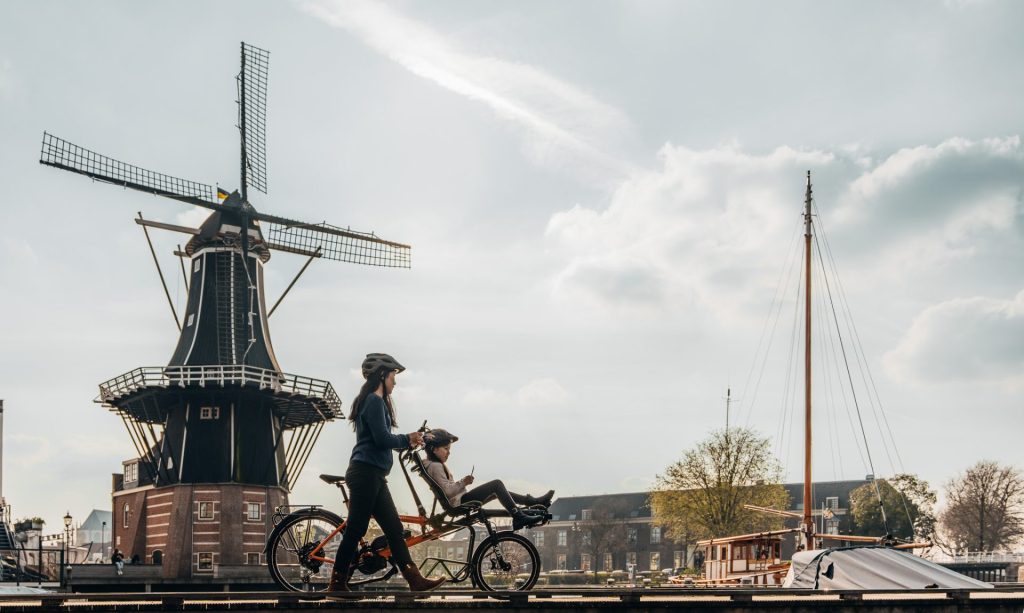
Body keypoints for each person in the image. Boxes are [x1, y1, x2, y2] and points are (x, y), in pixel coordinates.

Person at [326, 353, 446, 595]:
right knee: (357, 529)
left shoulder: (373, 401)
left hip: (375, 474)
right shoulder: (373, 401)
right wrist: (406, 438)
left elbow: (380, 439)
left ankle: (415, 581)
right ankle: (337, 583)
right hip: (365, 473)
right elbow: (382, 439)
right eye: (393, 376)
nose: (395, 381)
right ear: (382, 375)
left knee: (393, 529)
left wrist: (407, 442)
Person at [421, 429, 553, 529]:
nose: (449, 452)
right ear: (433, 449)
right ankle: (518, 516)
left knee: (497, 492)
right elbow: (448, 491)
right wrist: (464, 482)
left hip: (459, 501)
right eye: (446, 449)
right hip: (460, 502)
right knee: (496, 484)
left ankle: (532, 502)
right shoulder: (436, 466)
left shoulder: (433, 465)